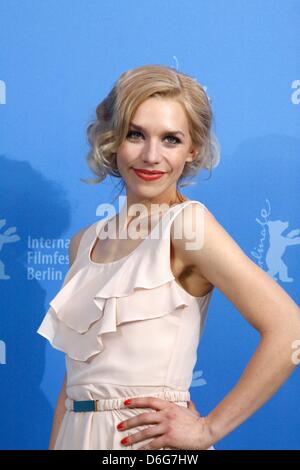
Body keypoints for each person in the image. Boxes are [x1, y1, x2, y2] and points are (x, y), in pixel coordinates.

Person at [37, 64, 300, 450]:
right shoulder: (84, 242)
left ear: (193, 149)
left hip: (147, 445)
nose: (150, 155)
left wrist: (208, 429)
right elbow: (74, 384)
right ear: (112, 140)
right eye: (135, 134)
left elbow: (290, 329)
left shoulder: (187, 226)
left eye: (171, 139)